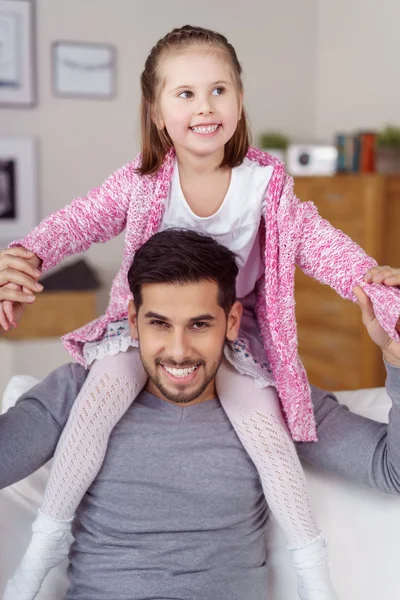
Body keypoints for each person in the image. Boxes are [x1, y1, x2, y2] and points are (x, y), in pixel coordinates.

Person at [1, 24, 400, 600]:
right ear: (157, 112)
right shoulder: (141, 182)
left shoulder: (265, 187)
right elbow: (77, 221)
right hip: (125, 348)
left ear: (239, 101)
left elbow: (323, 244)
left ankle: (317, 577)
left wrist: (375, 287)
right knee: (102, 394)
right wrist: (26, 255)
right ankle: (40, 553)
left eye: (219, 90)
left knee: (264, 425)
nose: (205, 106)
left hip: (242, 349)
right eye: (184, 93)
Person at [2, 229, 400, 600]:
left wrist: (396, 361)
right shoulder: (77, 391)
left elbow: (391, 470)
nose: (178, 350)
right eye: (159, 323)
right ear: (132, 321)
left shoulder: (279, 398)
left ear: (230, 322)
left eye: (199, 324)